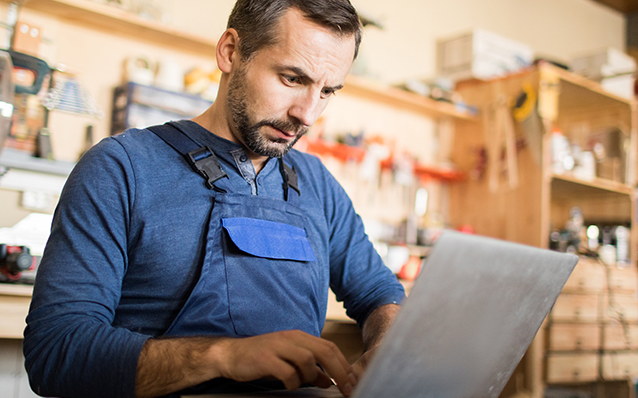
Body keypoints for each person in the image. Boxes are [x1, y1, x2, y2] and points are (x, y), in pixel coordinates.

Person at [23, 1, 406, 397]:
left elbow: (380, 294)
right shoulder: (122, 168)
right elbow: (55, 352)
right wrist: (223, 355)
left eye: (326, 91)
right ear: (230, 52)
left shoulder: (317, 184)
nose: (307, 115)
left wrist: (387, 346)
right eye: (292, 79)